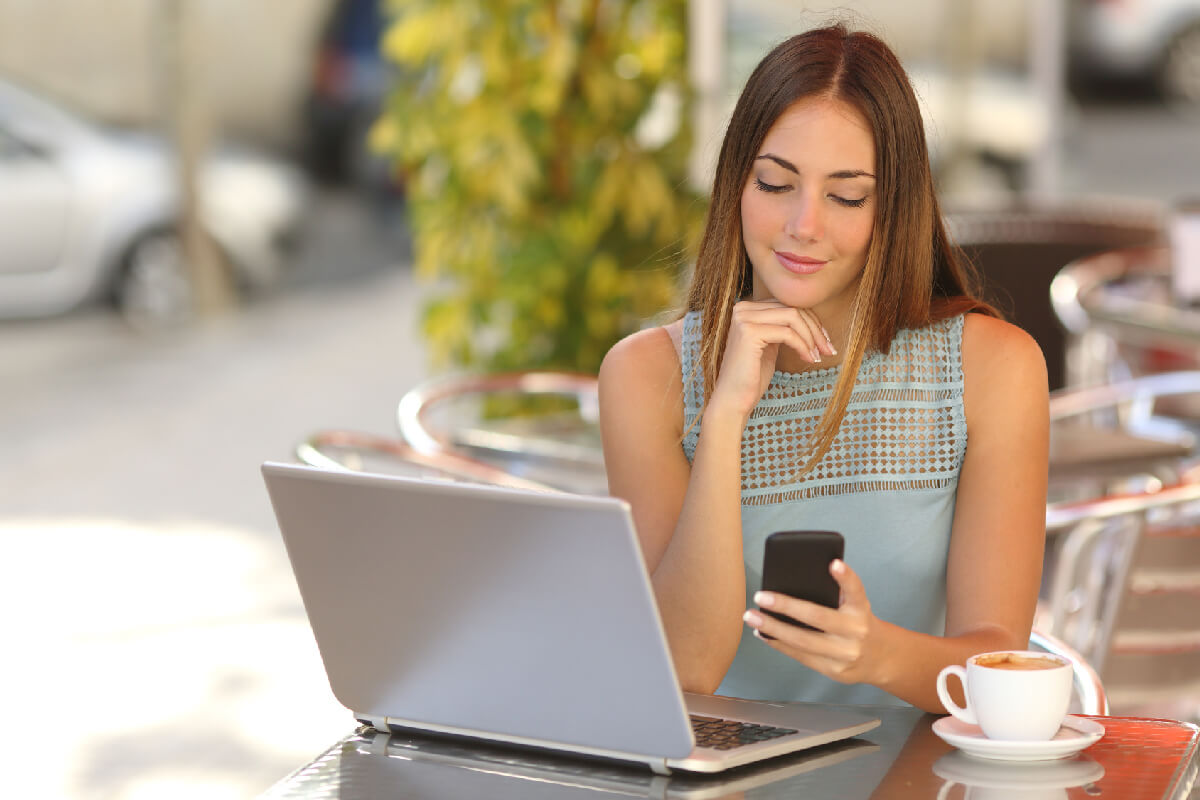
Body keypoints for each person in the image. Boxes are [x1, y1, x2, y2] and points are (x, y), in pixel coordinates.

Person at [597, 23, 1048, 712]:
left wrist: (874, 653)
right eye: (776, 184)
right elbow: (683, 673)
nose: (803, 224)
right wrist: (723, 420)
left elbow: (999, 669)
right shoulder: (643, 378)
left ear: (892, 209)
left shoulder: (993, 369)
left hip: (912, 778)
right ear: (735, 185)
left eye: (845, 196)